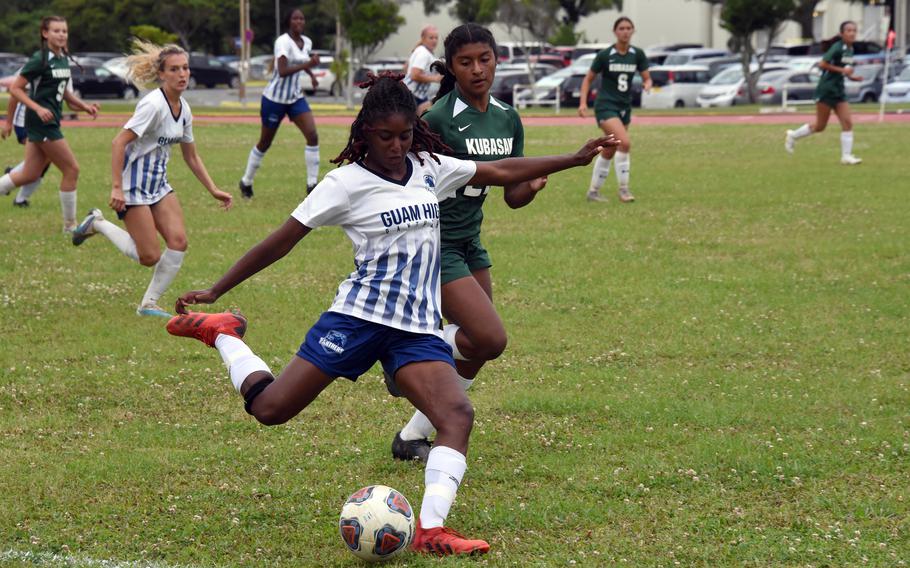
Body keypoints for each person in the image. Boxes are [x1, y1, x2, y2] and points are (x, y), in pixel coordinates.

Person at [165, 72, 614, 556]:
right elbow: (281, 241)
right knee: (271, 410)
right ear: (365, 134)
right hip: (356, 320)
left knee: (457, 415)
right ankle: (224, 334)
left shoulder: (429, 166)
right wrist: (215, 290)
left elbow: (502, 170)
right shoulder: (345, 183)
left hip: (414, 331)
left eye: (404, 135)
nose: (397, 146)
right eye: (385, 137)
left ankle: (430, 530)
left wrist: (574, 158)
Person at [390, 23, 548, 462]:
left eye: (485, 59)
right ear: (452, 68)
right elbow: (404, 180)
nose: (477, 69)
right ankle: (405, 356)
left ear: (497, 59)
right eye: (466, 62)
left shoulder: (507, 118)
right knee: (489, 337)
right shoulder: (435, 119)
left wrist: (530, 185)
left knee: (480, 348)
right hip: (432, 242)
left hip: (469, 242)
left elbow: (511, 197)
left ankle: (411, 437)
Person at [70, 41, 232, 318]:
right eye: (174, 69)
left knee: (179, 241)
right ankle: (97, 223)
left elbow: (191, 157)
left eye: (185, 68)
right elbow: (118, 142)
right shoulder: (153, 105)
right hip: (132, 186)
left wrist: (213, 189)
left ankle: (148, 305)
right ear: (162, 74)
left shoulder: (185, 109)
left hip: (158, 185)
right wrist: (117, 187)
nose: (182, 74)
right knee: (149, 257)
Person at [0, 15, 99, 231]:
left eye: (64, 31)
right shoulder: (39, 59)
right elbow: (15, 89)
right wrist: (36, 108)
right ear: (45, 34)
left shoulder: (62, 58)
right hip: (42, 123)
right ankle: (70, 226)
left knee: (29, 174)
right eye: (56, 31)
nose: (61, 34)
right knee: (72, 169)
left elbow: (65, 95)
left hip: (48, 121)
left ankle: (69, 225)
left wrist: (85, 107)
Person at [239, 7, 321, 199]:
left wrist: (311, 75)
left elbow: (303, 60)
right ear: (288, 22)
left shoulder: (306, 42)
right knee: (265, 143)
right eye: (295, 19)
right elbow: (283, 70)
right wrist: (308, 66)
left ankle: (312, 186)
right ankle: (246, 182)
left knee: (313, 135)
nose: (299, 22)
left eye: (302, 18)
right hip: (274, 99)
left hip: (295, 98)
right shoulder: (282, 42)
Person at [578, 16, 651, 203]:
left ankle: (593, 192)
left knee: (610, 150)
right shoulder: (605, 55)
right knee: (624, 143)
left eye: (628, 28)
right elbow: (588, 79)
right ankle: (624, 190)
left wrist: (648, 84)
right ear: (615, 32)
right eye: (621, 28)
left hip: (624, 108)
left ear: (633, 31)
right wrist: (583, 103)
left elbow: (646, 77)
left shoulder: (638, 54)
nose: (625, 31)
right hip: (606, 106)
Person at [785, 21, 863, 165]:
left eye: (854, 30)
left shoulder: (850, 49)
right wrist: (842, 71)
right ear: (842, 33)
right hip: (826, 90)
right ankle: (793, 135)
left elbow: (843, 69)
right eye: (849, 30)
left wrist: (852, 76)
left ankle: (846, 156)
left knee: (848, 122)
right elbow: (823, 64)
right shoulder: (837, 47)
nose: (852, 33)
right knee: (820, 126)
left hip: (838, 90)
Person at [2, 94, 50, 207]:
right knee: (43, 158)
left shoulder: (66, 77)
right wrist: (8, 123)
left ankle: (14, 178)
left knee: (45, 159)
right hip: (25, 123)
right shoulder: (32, 75)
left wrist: (85, 107)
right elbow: (15, 92)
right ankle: (13, 179)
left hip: (42, 124)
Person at [403, 25, 442, 114]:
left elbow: (405, 69)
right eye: (431, 38)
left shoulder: (425, 52)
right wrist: (435, 78)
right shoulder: (423, 53)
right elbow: (414, 75)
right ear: (423, 38)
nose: (434, 40)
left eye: (436, 38)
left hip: (418, 96)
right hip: (413, 96)